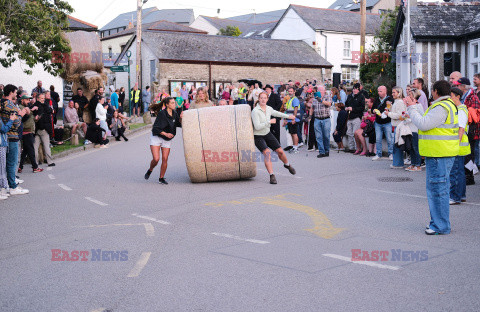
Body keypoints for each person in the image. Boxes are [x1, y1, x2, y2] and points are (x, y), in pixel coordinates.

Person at [406, 80, 457, 235]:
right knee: (440, 190)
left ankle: (440, 226)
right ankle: (440, 223)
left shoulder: (441, 107)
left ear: (435, 91)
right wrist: (415, 106)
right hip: (441, 153)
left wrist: (410, 107)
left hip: (438, 154)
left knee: (437, 191)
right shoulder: (446, 104)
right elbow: (428, 120)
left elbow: (423, 124)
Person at [251, 92, 296, 184]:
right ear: (259, 99)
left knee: (280, 151)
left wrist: (288, 116)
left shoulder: (269, 108)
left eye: (265, 98)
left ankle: (287, 165)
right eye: (261, 98)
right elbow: (257, 127)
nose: (263, 100)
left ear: (267, 99)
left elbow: (277, 113)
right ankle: (272, 175)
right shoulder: (255, 111)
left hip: (267, 133)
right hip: (258, 135)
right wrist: (269, 122)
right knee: (267, 153)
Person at [145, 97, 183, 185]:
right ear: (167, 105)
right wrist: (166, 134)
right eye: (172, 103)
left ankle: (161, 178)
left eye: (174, 102)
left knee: (165, 159)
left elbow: (178, 124)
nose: (175, 104)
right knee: (156, 159)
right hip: (157, 136)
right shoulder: (162, 114)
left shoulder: (175, 113)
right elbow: (156, 128)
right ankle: (150, 169)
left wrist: (180, 118)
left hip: (167, 139)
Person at [0, 84, 29, 195]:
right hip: (12, 136)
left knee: (4, 164)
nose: (16, 94)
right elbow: (16, 123)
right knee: (12, 163)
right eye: (16, 92)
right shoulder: (10, 105)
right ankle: (13, 186)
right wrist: (21, 115)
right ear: (11, 92)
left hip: (4, 137)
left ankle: (6, 185)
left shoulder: (2, 103)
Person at [457, 77, 480, 185]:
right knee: (467, 154)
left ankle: (469, 176)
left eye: (458, 85)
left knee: (469, 155)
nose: (457, 87)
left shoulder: (472, 97)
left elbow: (475, 117)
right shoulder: (465, 97)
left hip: (471, 131)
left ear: (463, 87)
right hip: (466, 129)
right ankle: (467, 175)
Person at [448, 87, 468, 205]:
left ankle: (455, 197)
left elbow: (460, 129)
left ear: (457, 96)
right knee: (459, 172)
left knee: (455, 172)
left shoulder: (460, 110)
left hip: (458, 145)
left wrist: (455, 145)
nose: (450, 98)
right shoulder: (460, 109)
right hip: (460, 145)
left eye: (451, 96)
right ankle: (461, 195)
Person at [18, 95, 43, 173]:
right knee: (31, 150)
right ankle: (35, 167)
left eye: (29, 100)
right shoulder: (21, 107)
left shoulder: (27, 107)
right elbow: (24, 118)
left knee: (25, 150)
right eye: (27, 100)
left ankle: (20, 167)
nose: (28, 101)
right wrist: (32, 109)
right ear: (22, 100)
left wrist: (36, 119)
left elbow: (30, 118)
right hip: (26, 131)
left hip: (30, 130)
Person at [371, 86, 394, 161]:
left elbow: (392, 110)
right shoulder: (377, 99)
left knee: (389, 139)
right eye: (378, 91)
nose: (379, 93)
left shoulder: (390, 99)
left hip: (387, 122)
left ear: (385, 91)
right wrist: (373, 110)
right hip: (378, 122)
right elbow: (372, 109)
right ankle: (378, 154)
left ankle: (391, 154)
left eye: (380, 91)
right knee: (378, 139)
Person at [386, 86, 407, 168]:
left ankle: (398, 163)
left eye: (394, 92)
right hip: (396, 126)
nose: (392, 94)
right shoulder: (397, 102)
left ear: (399, 93)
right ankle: (397, 162)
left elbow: (399, 115)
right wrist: (390, 108)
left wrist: (389, 114)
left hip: (398, 126)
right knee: (396, 145)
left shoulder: (400, 102)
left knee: (397, 145)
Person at [404, 88, 424, 172]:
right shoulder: (409, 106)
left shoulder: (418, 105)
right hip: (408, 129)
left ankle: (418, 165)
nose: (408, 96)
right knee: (411, 148)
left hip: (415, 129)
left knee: (416, 148)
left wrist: (410, 117)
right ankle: (412, 164)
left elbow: (422, 116)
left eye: (410, 95)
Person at [33, 93, 55, 167]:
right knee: (46, 146)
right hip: (43, 129)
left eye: (44, 98)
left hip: (36, 130)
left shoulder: (34, 106)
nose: (43, 99)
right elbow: (50, 111)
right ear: (38, 98)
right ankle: (50, 162)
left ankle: (35, 163)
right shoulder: (44, 106)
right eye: (42, 98)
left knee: (35, 147)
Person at [310, 85, 332, 158]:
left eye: (320, 90)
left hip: (326, 119)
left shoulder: (327, 97)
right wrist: (310, 116)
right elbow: (312, 108)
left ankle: (327, 150)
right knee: (318, 136)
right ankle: (321, 152)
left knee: (326, 136)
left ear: (324, 91)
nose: (318, 91)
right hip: (317, 119)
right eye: (318, 90)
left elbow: (329, 104)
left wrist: (321, 101)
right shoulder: (315, 99)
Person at [345, 83, 365, 153]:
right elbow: (346, 104)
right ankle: (351, 147)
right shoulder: (349, 96)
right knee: (349, 133)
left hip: (356, 117)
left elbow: (362, 108)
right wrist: (346, 108)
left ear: (358, 90)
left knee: (355, 133)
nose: (354, 90)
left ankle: (358, 148)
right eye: (353, 89)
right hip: (349, 117)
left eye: (356, 89)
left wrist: (353, 109)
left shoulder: (361, 97)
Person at [0, 111, 16, 199]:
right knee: (2, 168)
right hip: (1, 144)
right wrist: (11, 120)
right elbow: (4, 129)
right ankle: (2, 189)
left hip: (2, 144)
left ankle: (3, 189)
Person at [284, 87, 300, 153]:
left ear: (294, 92)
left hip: (293, 119)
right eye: (289, 91)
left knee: (294, 134)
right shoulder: (290, 99)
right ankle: (294, 146)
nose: (290, 92)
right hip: (290, 120)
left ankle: (296, 147)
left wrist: (294, 118)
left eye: (291, 91)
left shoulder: (295, 99)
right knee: (292, 133)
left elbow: (295, 109)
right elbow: (287, 110)